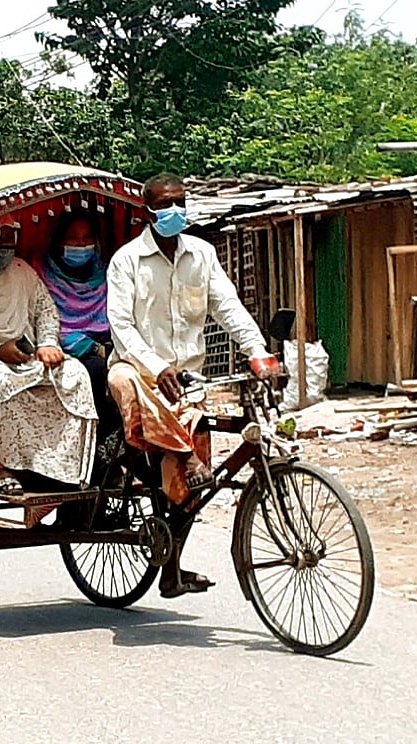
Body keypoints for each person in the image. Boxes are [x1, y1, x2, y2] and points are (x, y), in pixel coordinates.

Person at [107, 172, 280, 598]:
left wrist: (257, 350)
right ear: (148, 211)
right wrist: (153, 364)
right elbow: (121, 326)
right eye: (165, 205)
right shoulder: (126, 261)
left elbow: (228, 307)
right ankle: (185, 456)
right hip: (137, 372)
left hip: (188, 381)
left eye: (180, 202)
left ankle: (172, 571)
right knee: (127, 381)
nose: (175, 211)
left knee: (187, 493)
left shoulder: (202, 254)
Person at [0, 228, 98, 492]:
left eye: (8, 237)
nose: (2, 245)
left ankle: (63, 465)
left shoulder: (23, 271)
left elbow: (45, 312)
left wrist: (47, 343)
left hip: (27, 357)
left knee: (76, 374)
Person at [34, 213, 120, 442]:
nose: (81, 244)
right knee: (96, 371)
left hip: (108, 341)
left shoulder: (106, 272)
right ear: (58, 241)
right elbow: (43, 320)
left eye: (87, 237)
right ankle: (101, 444)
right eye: (72, 238)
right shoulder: (40, 273)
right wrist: (91, 348)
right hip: (62, 347)